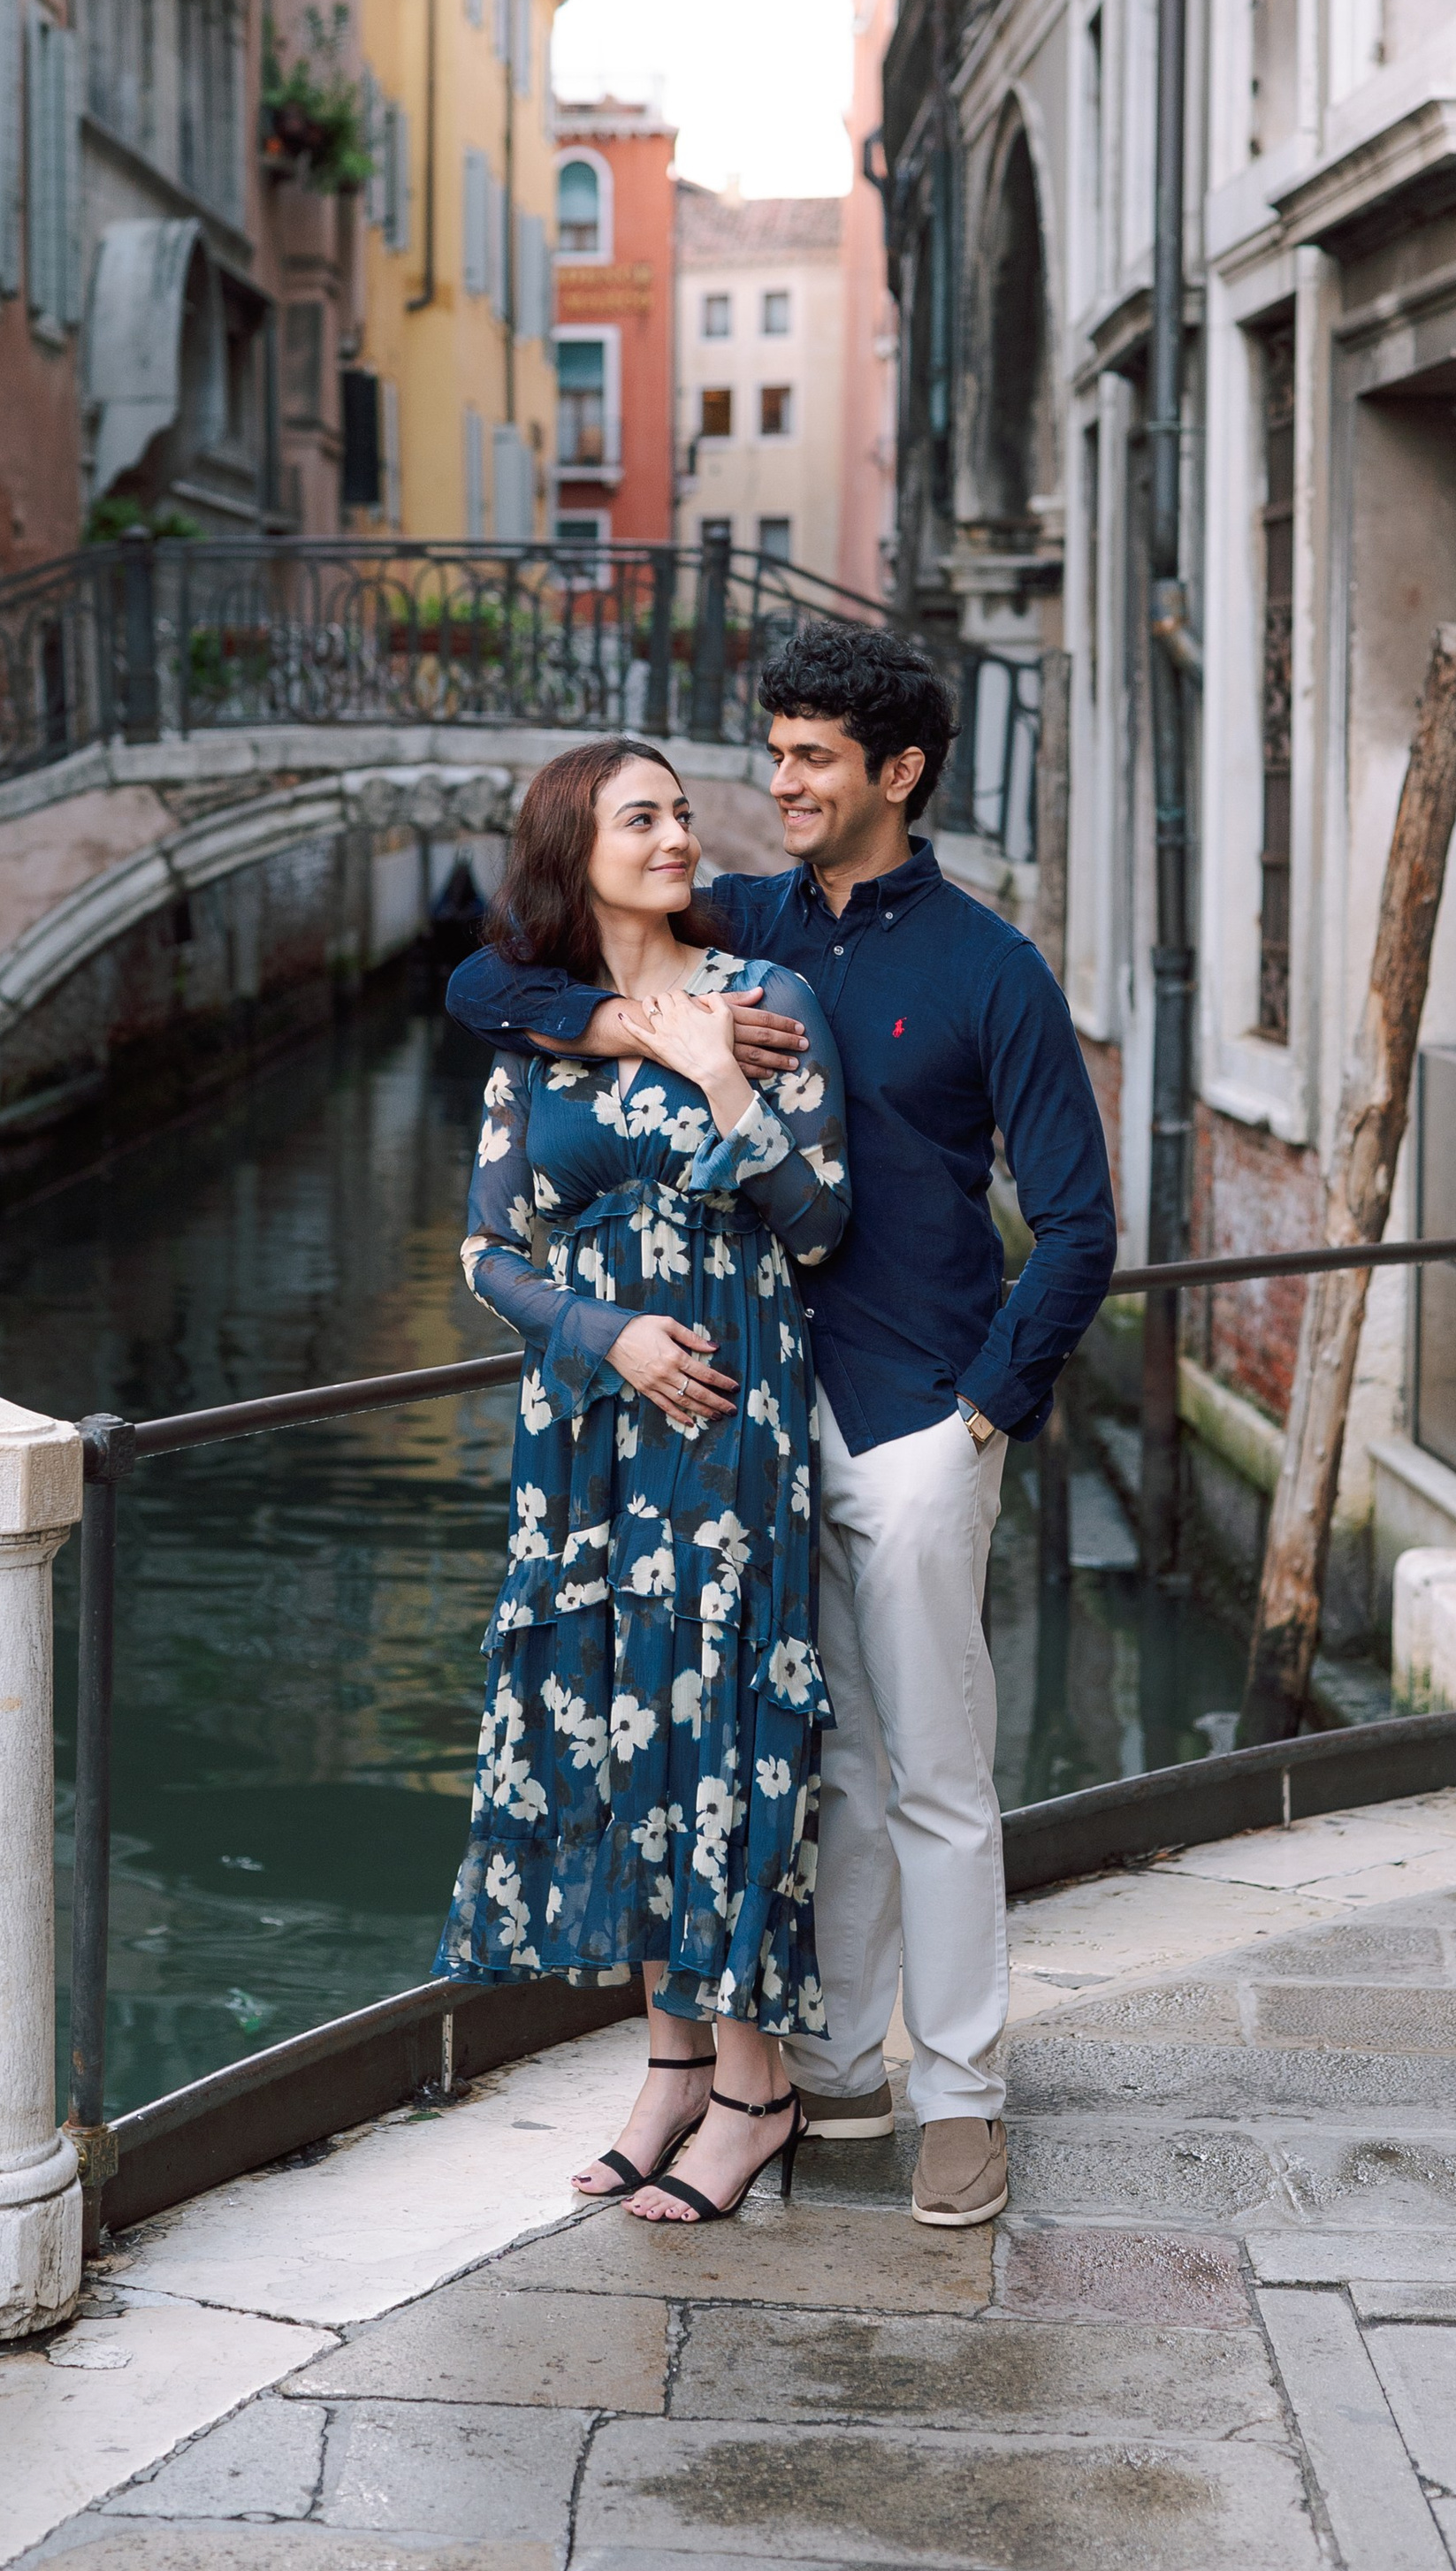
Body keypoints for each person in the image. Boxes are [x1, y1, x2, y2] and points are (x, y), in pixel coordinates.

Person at [448, 621, 1116, 2228]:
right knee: (820, 1767)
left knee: (937, 1771)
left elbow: (1081, 1229)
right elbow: (498, 976)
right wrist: (633, 1033)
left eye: (814, 759)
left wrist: (981, 1416)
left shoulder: (991, 967)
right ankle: (823, 2074)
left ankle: (962, 2095)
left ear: (902, 774)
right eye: (779, 752)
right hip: (740, 1424)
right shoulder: (747, 925)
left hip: (906, 1412)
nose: (778, 785)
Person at [434, 736, 851, 2224]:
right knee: (613, 1704)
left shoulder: (768, 999)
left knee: (717, 1711)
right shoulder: (535, 1031)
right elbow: (487, 1252)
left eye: (682, 812)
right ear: (574, 847)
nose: (679, 836)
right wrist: (601, 1333)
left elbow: (813, 1222)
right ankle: (670, 2062)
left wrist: (714, 1080)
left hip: (732, 1398)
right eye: (643, 817)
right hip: (588, 1416)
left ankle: (757, 2086)